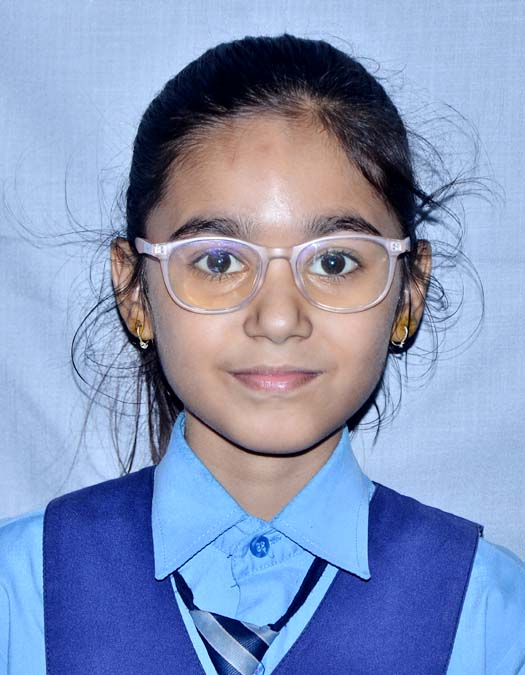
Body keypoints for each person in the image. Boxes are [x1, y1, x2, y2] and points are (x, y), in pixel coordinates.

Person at [1, 33, 524, 675]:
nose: (278, 319)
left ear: (408, 292)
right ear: (134, 290)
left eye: (335, 261)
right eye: (219, 261)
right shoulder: (18, 593)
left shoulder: (492, 615)